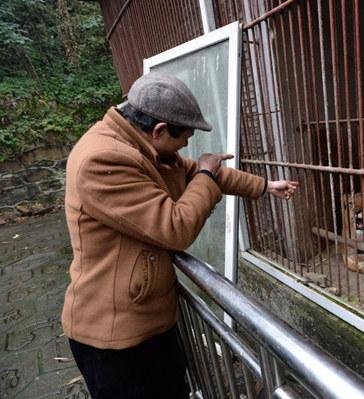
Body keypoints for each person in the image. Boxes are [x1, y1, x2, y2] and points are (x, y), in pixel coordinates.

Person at [61, 72, 298, 398]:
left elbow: (199, 173)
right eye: (183, 138)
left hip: (146, 318)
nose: (186, 146)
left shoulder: (140, 145)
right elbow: (175, 228)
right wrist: (204, 173)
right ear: (159, 131)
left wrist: (265, 186)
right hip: (115, 336)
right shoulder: (104, 160)